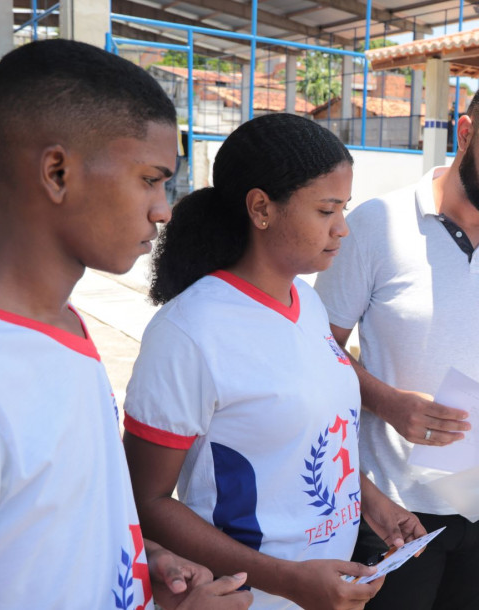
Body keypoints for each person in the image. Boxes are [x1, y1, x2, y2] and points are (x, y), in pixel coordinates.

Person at [0, 39, 251, 609]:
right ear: (57, 172)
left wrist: (139, 561)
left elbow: (42, 530)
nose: (163, 209)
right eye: (150, 179)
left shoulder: (63, 326)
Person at [121, 113, 427, 610]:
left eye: (344, 208)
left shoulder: (307, 304)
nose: (343, 229)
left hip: (326, 593)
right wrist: (287, 580)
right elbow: (145, 501)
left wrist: (373, 503)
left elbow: (311, 440)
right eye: (326, 210)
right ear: (261, 208)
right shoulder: (189, 332)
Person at [313, 66, 479, 610]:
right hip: (392, 510)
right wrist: (389, 403)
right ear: (466, 132)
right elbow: (316, 348)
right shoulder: (375, 225)